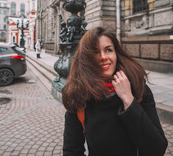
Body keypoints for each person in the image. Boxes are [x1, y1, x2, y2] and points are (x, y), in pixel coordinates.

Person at [62, 27, 168, 156]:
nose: (103, 57)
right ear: (86, 59)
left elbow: (157, 149)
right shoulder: (79, 96)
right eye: (95, 52)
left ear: (116, 54)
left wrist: (128, 99)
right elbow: (72, 151)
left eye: (108, 50)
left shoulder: (138, 89)